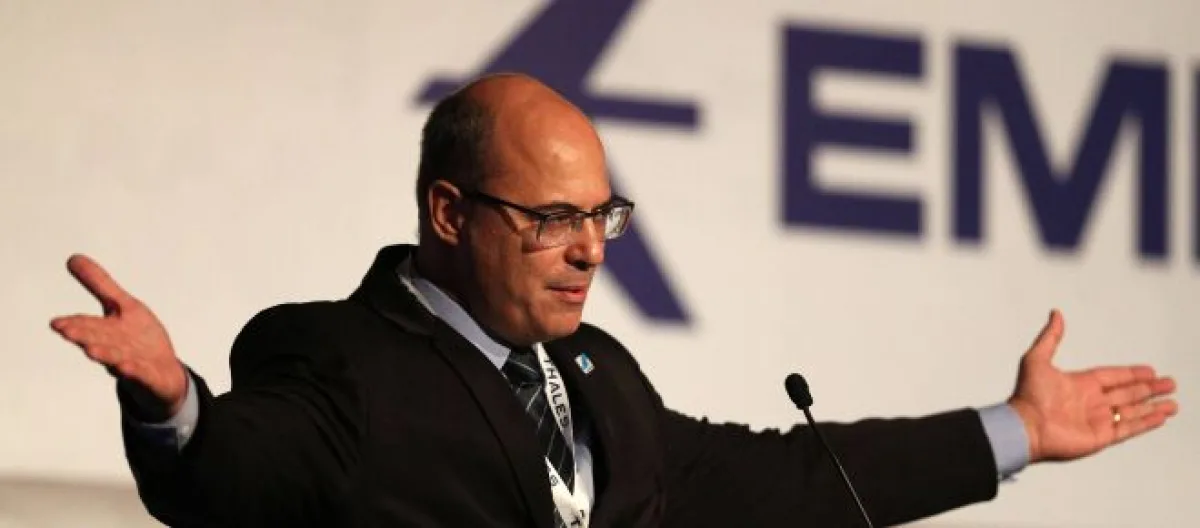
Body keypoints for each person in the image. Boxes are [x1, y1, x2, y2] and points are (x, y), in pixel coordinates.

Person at [50, 73, 1178, 528]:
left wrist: (1012, 430)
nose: (590, 251)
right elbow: (237, 470)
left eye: (602, 216)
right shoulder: (340, 358)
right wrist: (172, 402)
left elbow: (788, 480)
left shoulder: (604, 381)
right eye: (553, 218)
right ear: (449, 213)